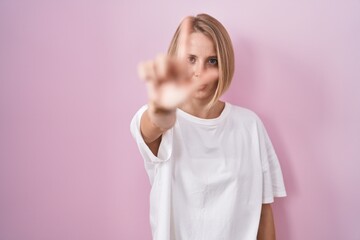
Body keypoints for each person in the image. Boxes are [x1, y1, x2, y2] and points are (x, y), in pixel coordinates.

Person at [130, 13, 287, 240]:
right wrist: (162, 105)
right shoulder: (161, 121)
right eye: (190, 59)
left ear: (224, 64)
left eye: (211, 60)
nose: (199, 72)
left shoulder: (249, 126)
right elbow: (155, 124)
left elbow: (263, 214)